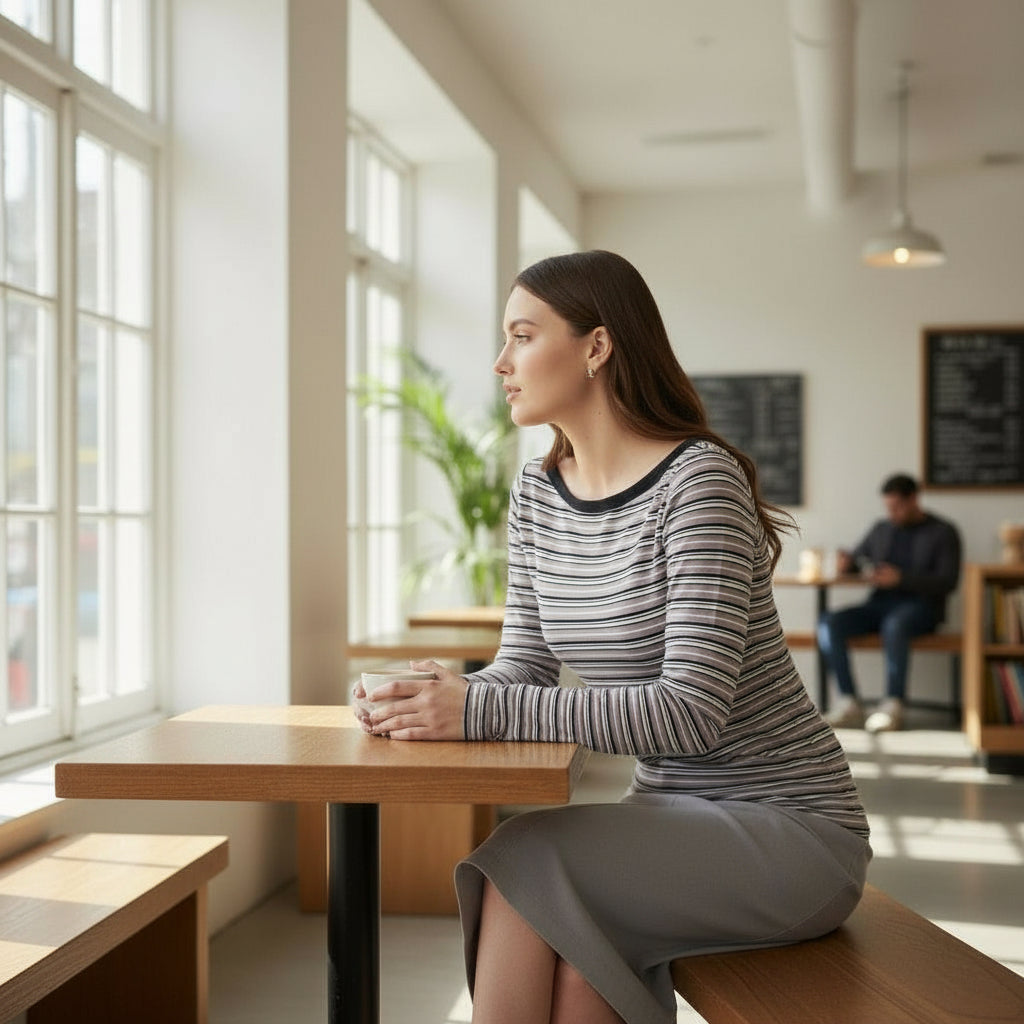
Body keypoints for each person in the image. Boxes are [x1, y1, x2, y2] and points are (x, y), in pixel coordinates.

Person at [353, 250, 871, 1024]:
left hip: (789, 825)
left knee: (520, 860)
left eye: (522, 336)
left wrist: (477, 711)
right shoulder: (536, 492)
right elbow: (522, 669)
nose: (501, 362)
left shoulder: (699, 482)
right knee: (574, 965)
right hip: (665, 812)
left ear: (596, 347)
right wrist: (422, 699)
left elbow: (690, 714)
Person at [818, 473, 961, 733]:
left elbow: (948, 581)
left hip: (922, 609)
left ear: (914, 499)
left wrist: (901, 579)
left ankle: (893, 704)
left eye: (898, 507)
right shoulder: (881, 529)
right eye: (888, 507)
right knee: (830, 623)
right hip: (879, 606)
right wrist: (847, 563)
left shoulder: (943, 532)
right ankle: (848, 701)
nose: (892, 513)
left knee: (895, 625)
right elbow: (858, 560)